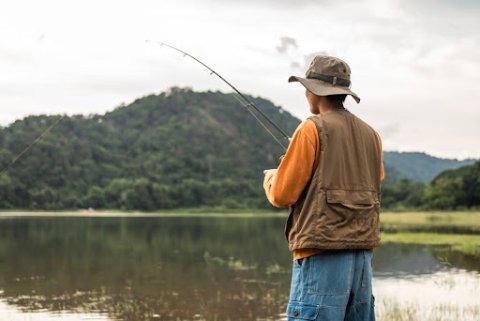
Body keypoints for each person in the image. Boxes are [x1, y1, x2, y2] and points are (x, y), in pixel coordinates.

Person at [263, 55, 384, 321]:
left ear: (314, 92)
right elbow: (374, 179)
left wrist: (272, 176)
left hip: (321, 253)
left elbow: (283, 194)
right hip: (361, 257)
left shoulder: (311, 129)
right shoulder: (372, 135)